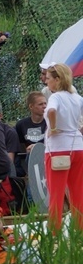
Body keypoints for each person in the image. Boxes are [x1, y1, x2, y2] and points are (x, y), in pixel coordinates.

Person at [43, 62, 83, 228]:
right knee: (78, 192)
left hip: (58, 148)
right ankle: (80, 232)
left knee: (56, 194)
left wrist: (52, 128)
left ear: (57, 79)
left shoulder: (56, 97)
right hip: (77, 146)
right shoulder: (77, 97)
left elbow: (52, 111)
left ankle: (54, 233)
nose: (46, 82)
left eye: (48, 78)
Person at [15, 92, 48, 176]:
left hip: (47, 157)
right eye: (40, 104)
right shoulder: (21, 124)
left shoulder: (50, 123)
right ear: (31, 106)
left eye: (45, 103)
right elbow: (20, 146)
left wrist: (38, 147)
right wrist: (27, 150)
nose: (44, 106)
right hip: (29, 159)